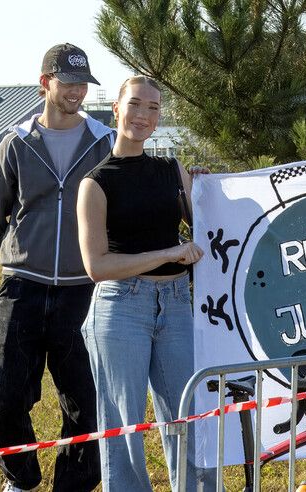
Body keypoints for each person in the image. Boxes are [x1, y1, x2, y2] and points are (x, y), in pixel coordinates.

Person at [0, 43, 113, 491]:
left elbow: (138, 191)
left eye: (82, 85)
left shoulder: (104, 142)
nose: (76, 93)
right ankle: (22, 482)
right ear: (45, 83)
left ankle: (72, 486)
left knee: (85, 404)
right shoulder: (16, 144)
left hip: (83, 291)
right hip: (22, 287)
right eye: (67, 83)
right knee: (6, 395)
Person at [77, 76, 211, 491]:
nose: (144, 115)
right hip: (120, 309)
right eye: (135, 105)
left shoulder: (170, 169)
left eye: (153, 108)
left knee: (189, 417)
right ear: (115, 110)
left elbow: (205, 227)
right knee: (124, 428)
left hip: (175, 305)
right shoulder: (94, 183)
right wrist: (167, 254)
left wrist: (207, 191)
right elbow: (97, 266)